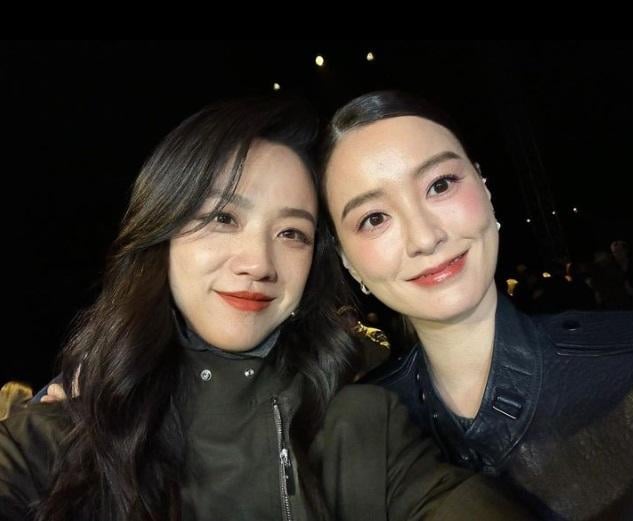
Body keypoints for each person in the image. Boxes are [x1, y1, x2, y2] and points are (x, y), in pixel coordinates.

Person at [0, 96, 529, 521]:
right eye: (223, 219)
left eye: (292, 233)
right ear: (163, 231)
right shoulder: (53, 437)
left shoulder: (361, 427)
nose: (258, 262)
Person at [319, 90, 633, 520]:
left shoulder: (629, 361)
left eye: (440, 185)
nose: (425, 237)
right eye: (374, 218)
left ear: (485, 188)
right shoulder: (354, 435)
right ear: (346, 259)